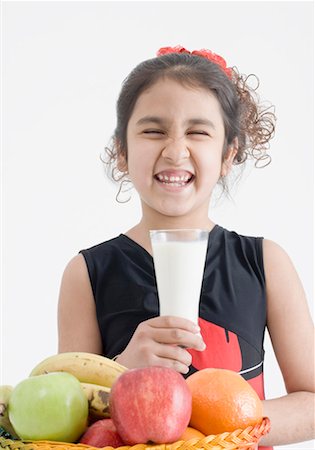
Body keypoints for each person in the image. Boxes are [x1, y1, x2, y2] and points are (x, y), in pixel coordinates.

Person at [57, 46, 314, 449]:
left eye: (198, 132)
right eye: (154, 131)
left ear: (228, 153)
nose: (176, 150)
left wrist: (218, 424)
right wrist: (121, 371)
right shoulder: (87, 273)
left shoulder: (265, 263)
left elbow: (312, 400)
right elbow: (68, 419)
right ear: (122, 152)